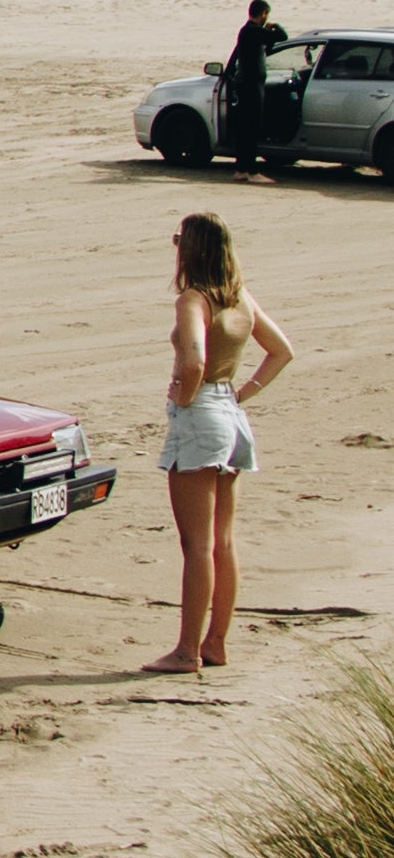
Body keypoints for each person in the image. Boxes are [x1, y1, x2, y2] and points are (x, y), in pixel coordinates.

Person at [148, 212, 294, 673]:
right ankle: (215, 642)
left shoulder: (194, 299)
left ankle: (187, 650)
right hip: (230, 413)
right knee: (222, 542)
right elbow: (281, 350)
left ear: (192, 249)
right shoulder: (240, 298)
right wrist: (242, 392)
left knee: (196, 544)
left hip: (202, 416)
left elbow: (193, 360)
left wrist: (185, 398)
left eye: (178, 239)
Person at [221, 0, 283, 179]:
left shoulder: (247, 32)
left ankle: (242, 170)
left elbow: (236, 54)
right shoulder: (254, 31)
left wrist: (228, 74)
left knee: (245, 129)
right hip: (251, 87)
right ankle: (250, 170)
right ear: (263, 13)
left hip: (246, 85)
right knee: (251, 129)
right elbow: (282, 37)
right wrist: (274, 26)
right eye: (266, 15)